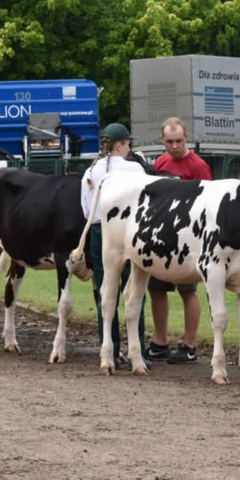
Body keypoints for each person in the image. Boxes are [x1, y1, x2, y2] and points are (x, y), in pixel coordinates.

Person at [81, 122, 149, 368]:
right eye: (128, 144)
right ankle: (136, 349)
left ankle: (108, 348)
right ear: (119, 144)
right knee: (135, 290)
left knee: (104, 289)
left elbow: (85, 208)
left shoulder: (90, 170)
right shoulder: (134, 168)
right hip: (128, 231)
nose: (129, 149)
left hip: (99, 230)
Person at [146, 117, 209, 364]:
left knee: (188, 290)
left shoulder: (198, 166)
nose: (174, 146)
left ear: (187, 139)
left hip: (189, 237)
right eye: (169, 141)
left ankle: (189, 344)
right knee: (156, 289)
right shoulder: (160, 163)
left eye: (179, 141)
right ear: (162, 140)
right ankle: (160, 342)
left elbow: (208, 201)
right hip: (161, 236)